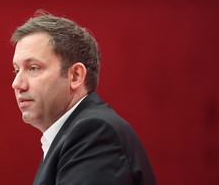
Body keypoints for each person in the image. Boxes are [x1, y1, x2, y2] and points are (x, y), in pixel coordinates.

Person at [11, 11, 157, 185]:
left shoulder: (94, 132)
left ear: (75, 76)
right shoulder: (70, 135)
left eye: (33, 68)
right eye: (16, 70)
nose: (17, 83)